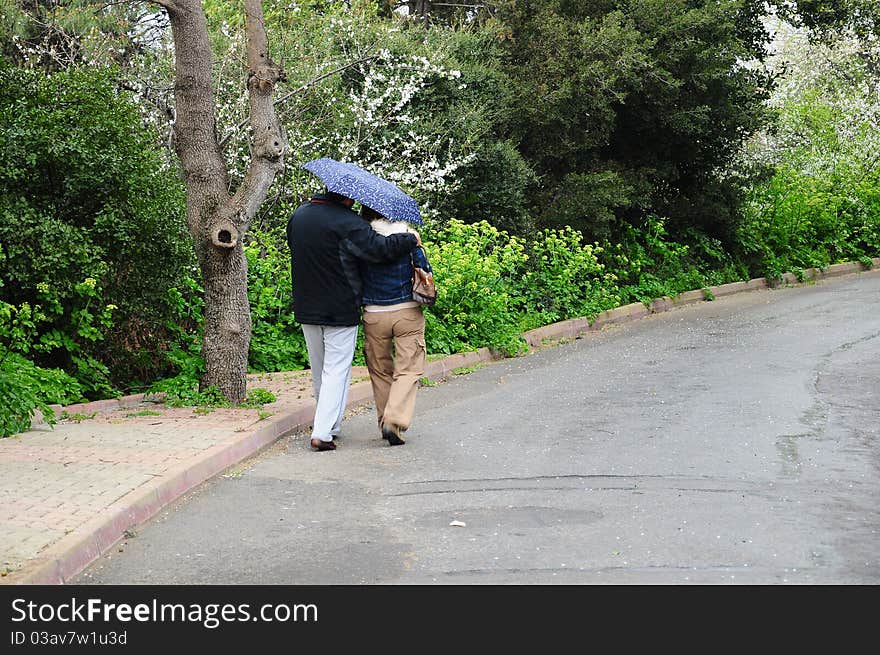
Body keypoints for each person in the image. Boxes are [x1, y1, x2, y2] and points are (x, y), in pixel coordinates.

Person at [287, 190, 420, 452]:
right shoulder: (347, 222)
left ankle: (331, 425)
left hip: (306, 304)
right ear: (346, 198)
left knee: (320, 369)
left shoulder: (298, 217)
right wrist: (409, 238)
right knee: (336, 370)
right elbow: (380, 249)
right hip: (341, 306)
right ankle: (322, 432)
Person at [359, 205, 431, 446]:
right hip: (406, 313)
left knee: (380, 369)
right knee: (408, 368)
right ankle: (394, 419)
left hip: (374, 315)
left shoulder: (362, 242)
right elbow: (425, 271)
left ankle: (385, 421)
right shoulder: (408, 239)